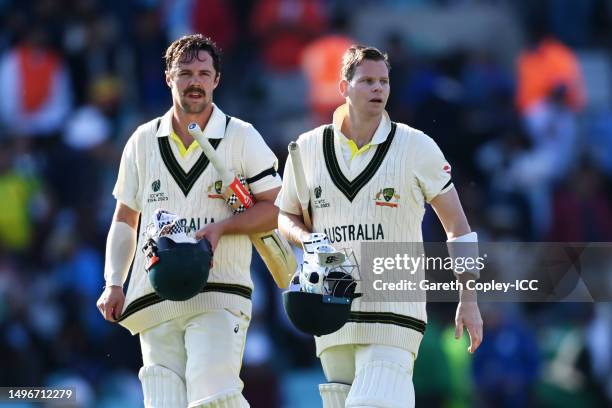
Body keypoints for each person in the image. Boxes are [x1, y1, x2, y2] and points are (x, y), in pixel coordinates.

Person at [276, 45, 483, 407]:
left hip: (395, 311)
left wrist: (469, 297)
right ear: (343, 87)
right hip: (330, 310)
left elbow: (458, 228)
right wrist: (308, 239)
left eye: (384, 81)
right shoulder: (306, 149)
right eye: (367, 81)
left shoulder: (417, 147)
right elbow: (285, 216)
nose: (378, 89)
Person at [96, 34, 282, 408]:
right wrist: (114, 281)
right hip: (154, 296)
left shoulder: (242, 136)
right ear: (168, 77)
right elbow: (125, 219)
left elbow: (276, 210)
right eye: (185, 73)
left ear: (216, 80)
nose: (194, 81)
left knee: (213, 395)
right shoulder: (142, 140)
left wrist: (223, 228)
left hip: (220, 292)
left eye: (203, 73)